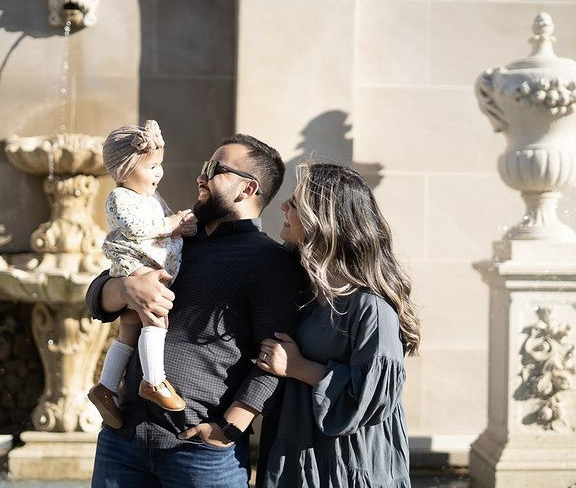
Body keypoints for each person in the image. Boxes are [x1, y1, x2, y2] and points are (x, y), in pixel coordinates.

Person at [85, 134, 305, 488]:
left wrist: (228, 429)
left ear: (248, 189)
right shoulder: (174, 237)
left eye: (214, 170)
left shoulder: (271, 261)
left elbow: (277, 356)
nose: (200, 176)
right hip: (122, 442)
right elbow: (96, 297)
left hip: (200, 454)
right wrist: (124, 289)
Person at [256, 163, 421, 488]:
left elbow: (373, 398)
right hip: (295, 453)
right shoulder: (301, 287)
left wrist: (297, 367)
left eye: (295, 202)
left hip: (346, 464)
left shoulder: (370, 307)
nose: (283, 206)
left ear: (324, 219)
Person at [88, 120, 197, 429]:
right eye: (151, 167)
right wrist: (171, 224)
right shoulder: (119, 197)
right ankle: (153, 381)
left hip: (146, 264)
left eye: (160, 165)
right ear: (124, 171)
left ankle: (106, 387)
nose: (158, 173)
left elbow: (165, 227)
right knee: (156, 317)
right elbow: (138, 230)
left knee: (129, 327)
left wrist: (183, 227)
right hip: (133, 266)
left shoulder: (150, 198)